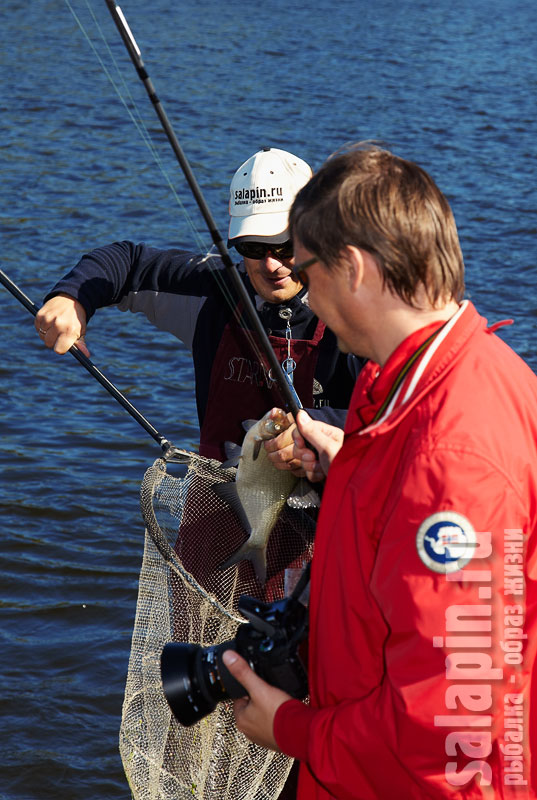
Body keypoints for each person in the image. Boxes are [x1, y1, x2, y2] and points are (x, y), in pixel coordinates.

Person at [222, 143, 537, 798]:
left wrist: (292, 729)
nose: (304, 291)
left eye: (306, 268)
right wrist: (351, 476)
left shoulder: (452, 460)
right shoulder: (424, 388)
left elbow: (453, 728)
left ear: (355, 270)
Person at [35, 147, 357, 467]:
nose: (271, 265)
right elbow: (127, 261)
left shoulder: (358, 312)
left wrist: (317, 428)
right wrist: (73, 297)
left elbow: (396, 415)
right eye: (254, 247)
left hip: (327, 510)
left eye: (285, 245)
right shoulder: (214, 293)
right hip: (219, 508)